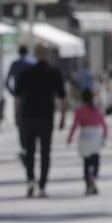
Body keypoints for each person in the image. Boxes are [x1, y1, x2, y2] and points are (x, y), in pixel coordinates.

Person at [15, 44, 68, 198]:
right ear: (48, 55)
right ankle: (42, 185)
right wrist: (63, 117)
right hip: (46, 118)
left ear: (36, 55)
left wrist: (16, 116)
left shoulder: (26, 73)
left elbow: (17, 98)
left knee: (29, 151)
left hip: (28, 117)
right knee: (45, 153)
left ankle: (31, 180)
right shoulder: (53, 73)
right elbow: (62, 98)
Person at [66, 88, 108, 196]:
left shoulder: (79, 111)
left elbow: (74, 126)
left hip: (84, 137)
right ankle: (93, 177)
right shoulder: (97, 110)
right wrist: (105, 135)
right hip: (95, 137)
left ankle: (88, 184)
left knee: (86, 162)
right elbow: (104, 124)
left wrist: (70, 138)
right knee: (96, 161)